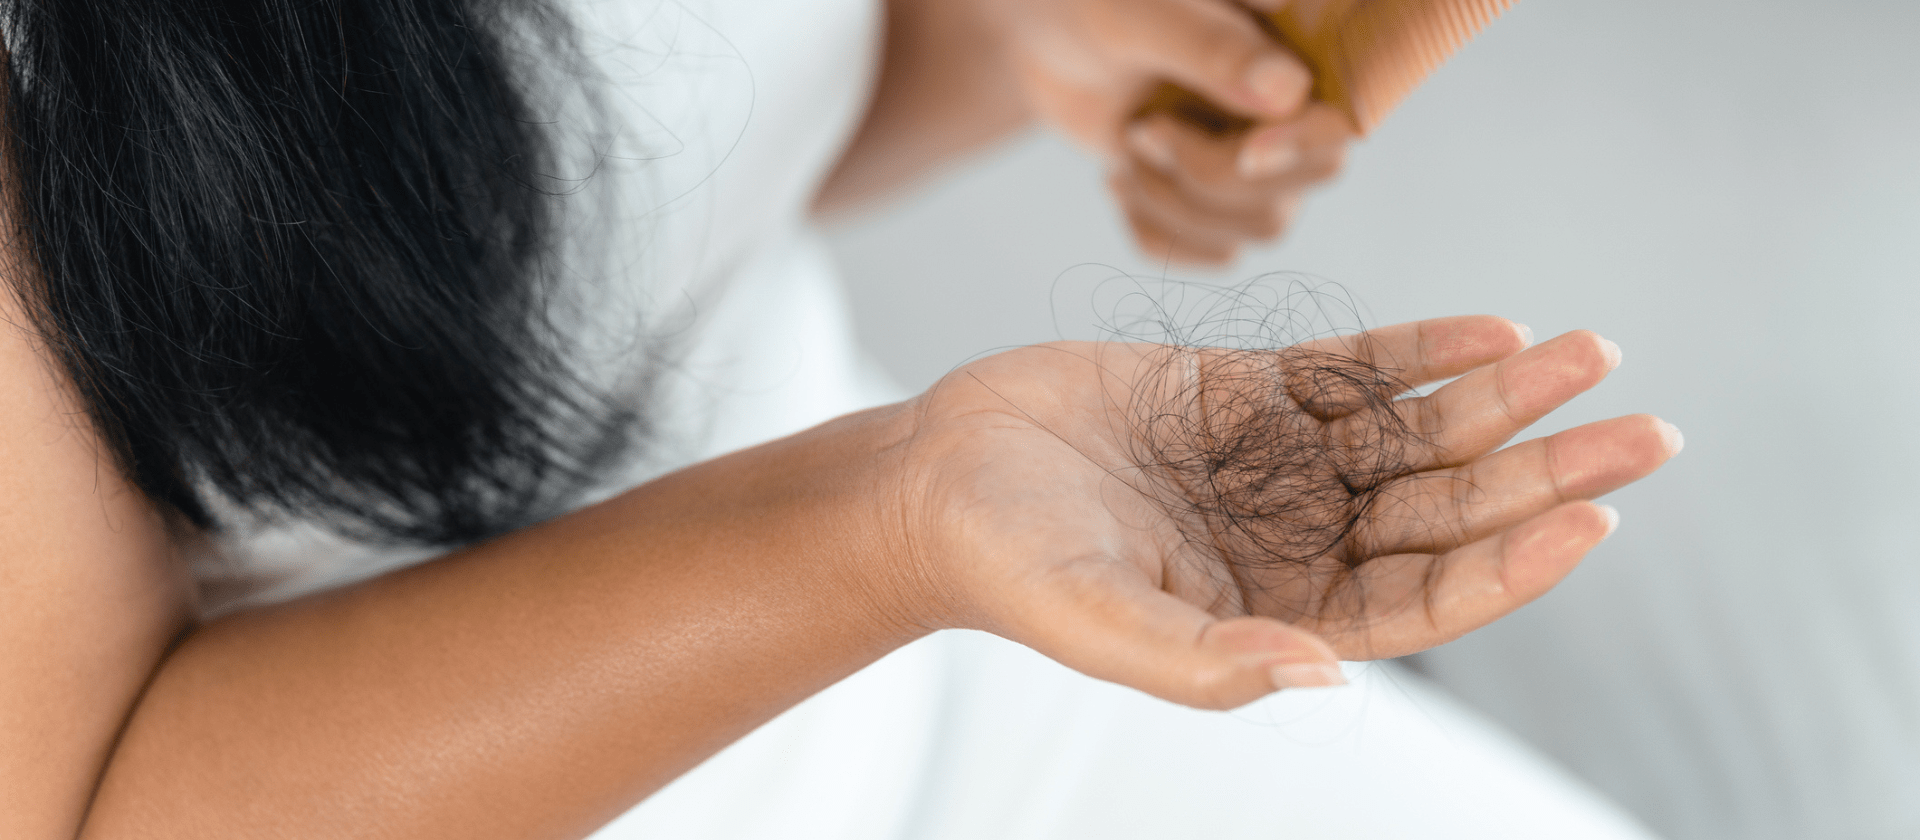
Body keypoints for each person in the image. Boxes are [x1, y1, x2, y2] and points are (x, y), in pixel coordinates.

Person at [0, 0, 1679, 837]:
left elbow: (630, 205)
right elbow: (93, 806)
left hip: (958, 647)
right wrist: (889, 517)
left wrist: (1017, 33)